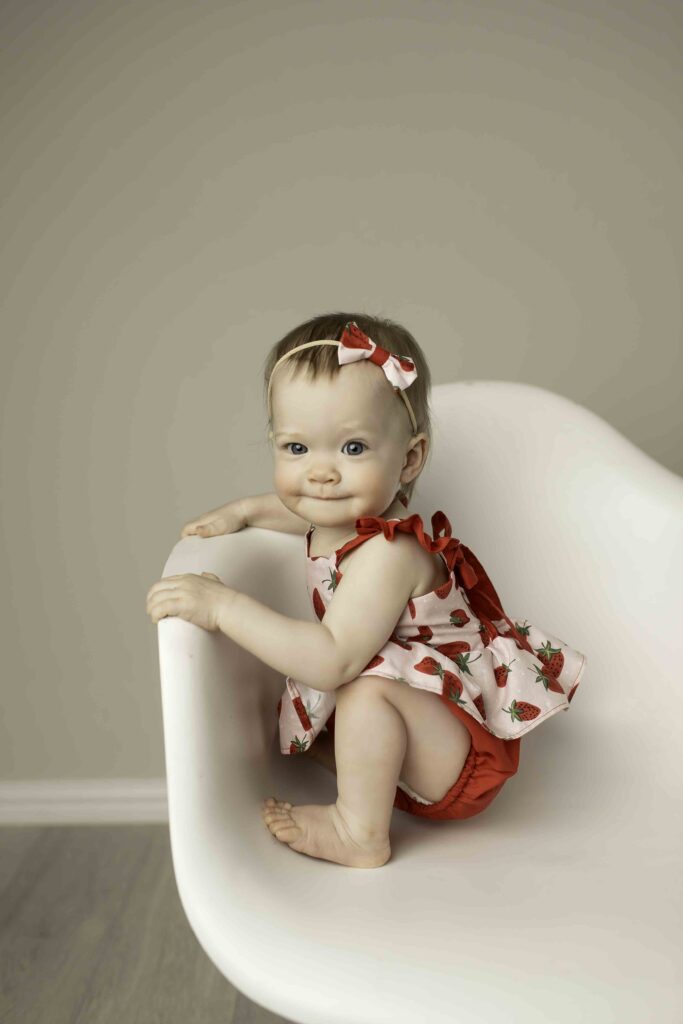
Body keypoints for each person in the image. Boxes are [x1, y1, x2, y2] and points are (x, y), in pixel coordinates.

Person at [145, 313, 587, 870]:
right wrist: (243, 511)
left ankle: (359, 832)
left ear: (409, 459)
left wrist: (223, 606)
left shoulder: (389, 553)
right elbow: (304, 512)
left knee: (360, 687)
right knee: (360, 690)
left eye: (352, 449)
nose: (321, 474)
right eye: (296, 448)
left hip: (457, 758)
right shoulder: (347, 515)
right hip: (424, 740)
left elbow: (331, 660)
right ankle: (366, 777)